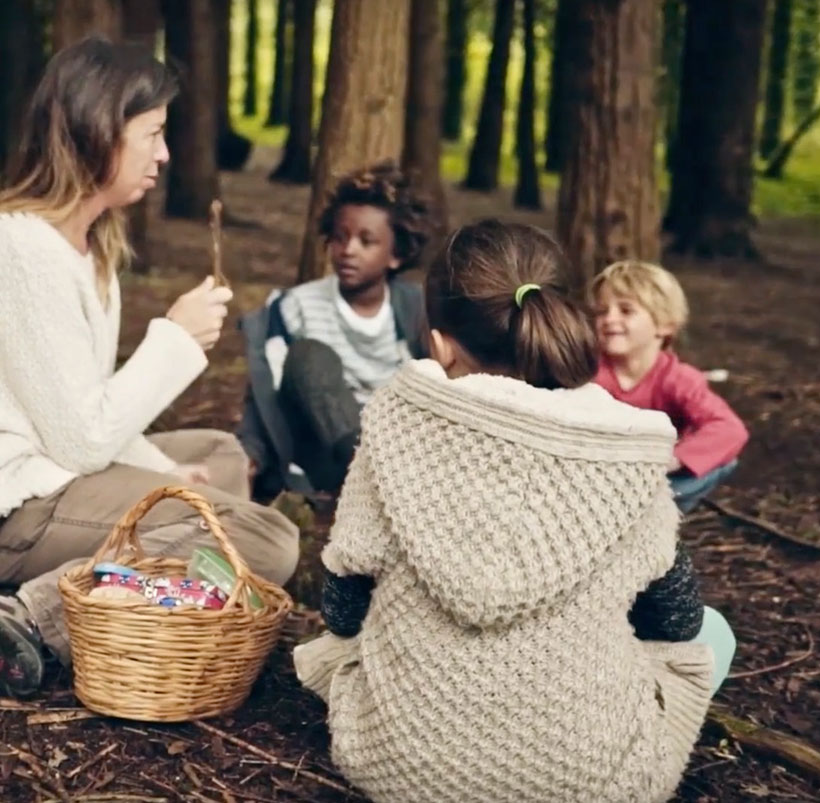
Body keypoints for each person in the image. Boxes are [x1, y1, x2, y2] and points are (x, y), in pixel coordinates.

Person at [0, 37, 299, 698]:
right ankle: (29, 616)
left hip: (49, 473)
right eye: (153, 136)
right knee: (271, 542)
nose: (165, 156)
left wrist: (164, 472)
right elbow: (80, 437)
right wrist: (174, 340)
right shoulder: (20, 249)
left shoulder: (87, 244)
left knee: (220, 456)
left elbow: (83, 405)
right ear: (100, 131)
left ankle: (169, 586)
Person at [293, 221, 737, 803]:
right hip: (589, 781)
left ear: (439, 342)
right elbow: (675, 619)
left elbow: (344, 608)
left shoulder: (396, 429)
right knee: (714, 634)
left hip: (397, 764)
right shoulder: (624, 446)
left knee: (340, 649)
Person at [237, 162, 434, 502]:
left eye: (366, 241)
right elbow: (263, 394)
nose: (348, 250)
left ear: (396, 255)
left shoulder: (416, 310)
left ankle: (383, 485)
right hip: (323, 456)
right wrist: (249, 454)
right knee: (309, 356)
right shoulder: (295, 307)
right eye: (340, 238)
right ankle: (369, 483)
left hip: (398, 453)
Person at [591, 261, 749, 512]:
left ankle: (655, 513)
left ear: (665, 325)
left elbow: (729, 428)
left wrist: (671, 460)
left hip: (656, 475)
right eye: (601, 311)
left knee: (723, 460)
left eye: (626, 310)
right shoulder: (589, 373)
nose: (609, 319)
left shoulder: (678, 378)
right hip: (596, 474)